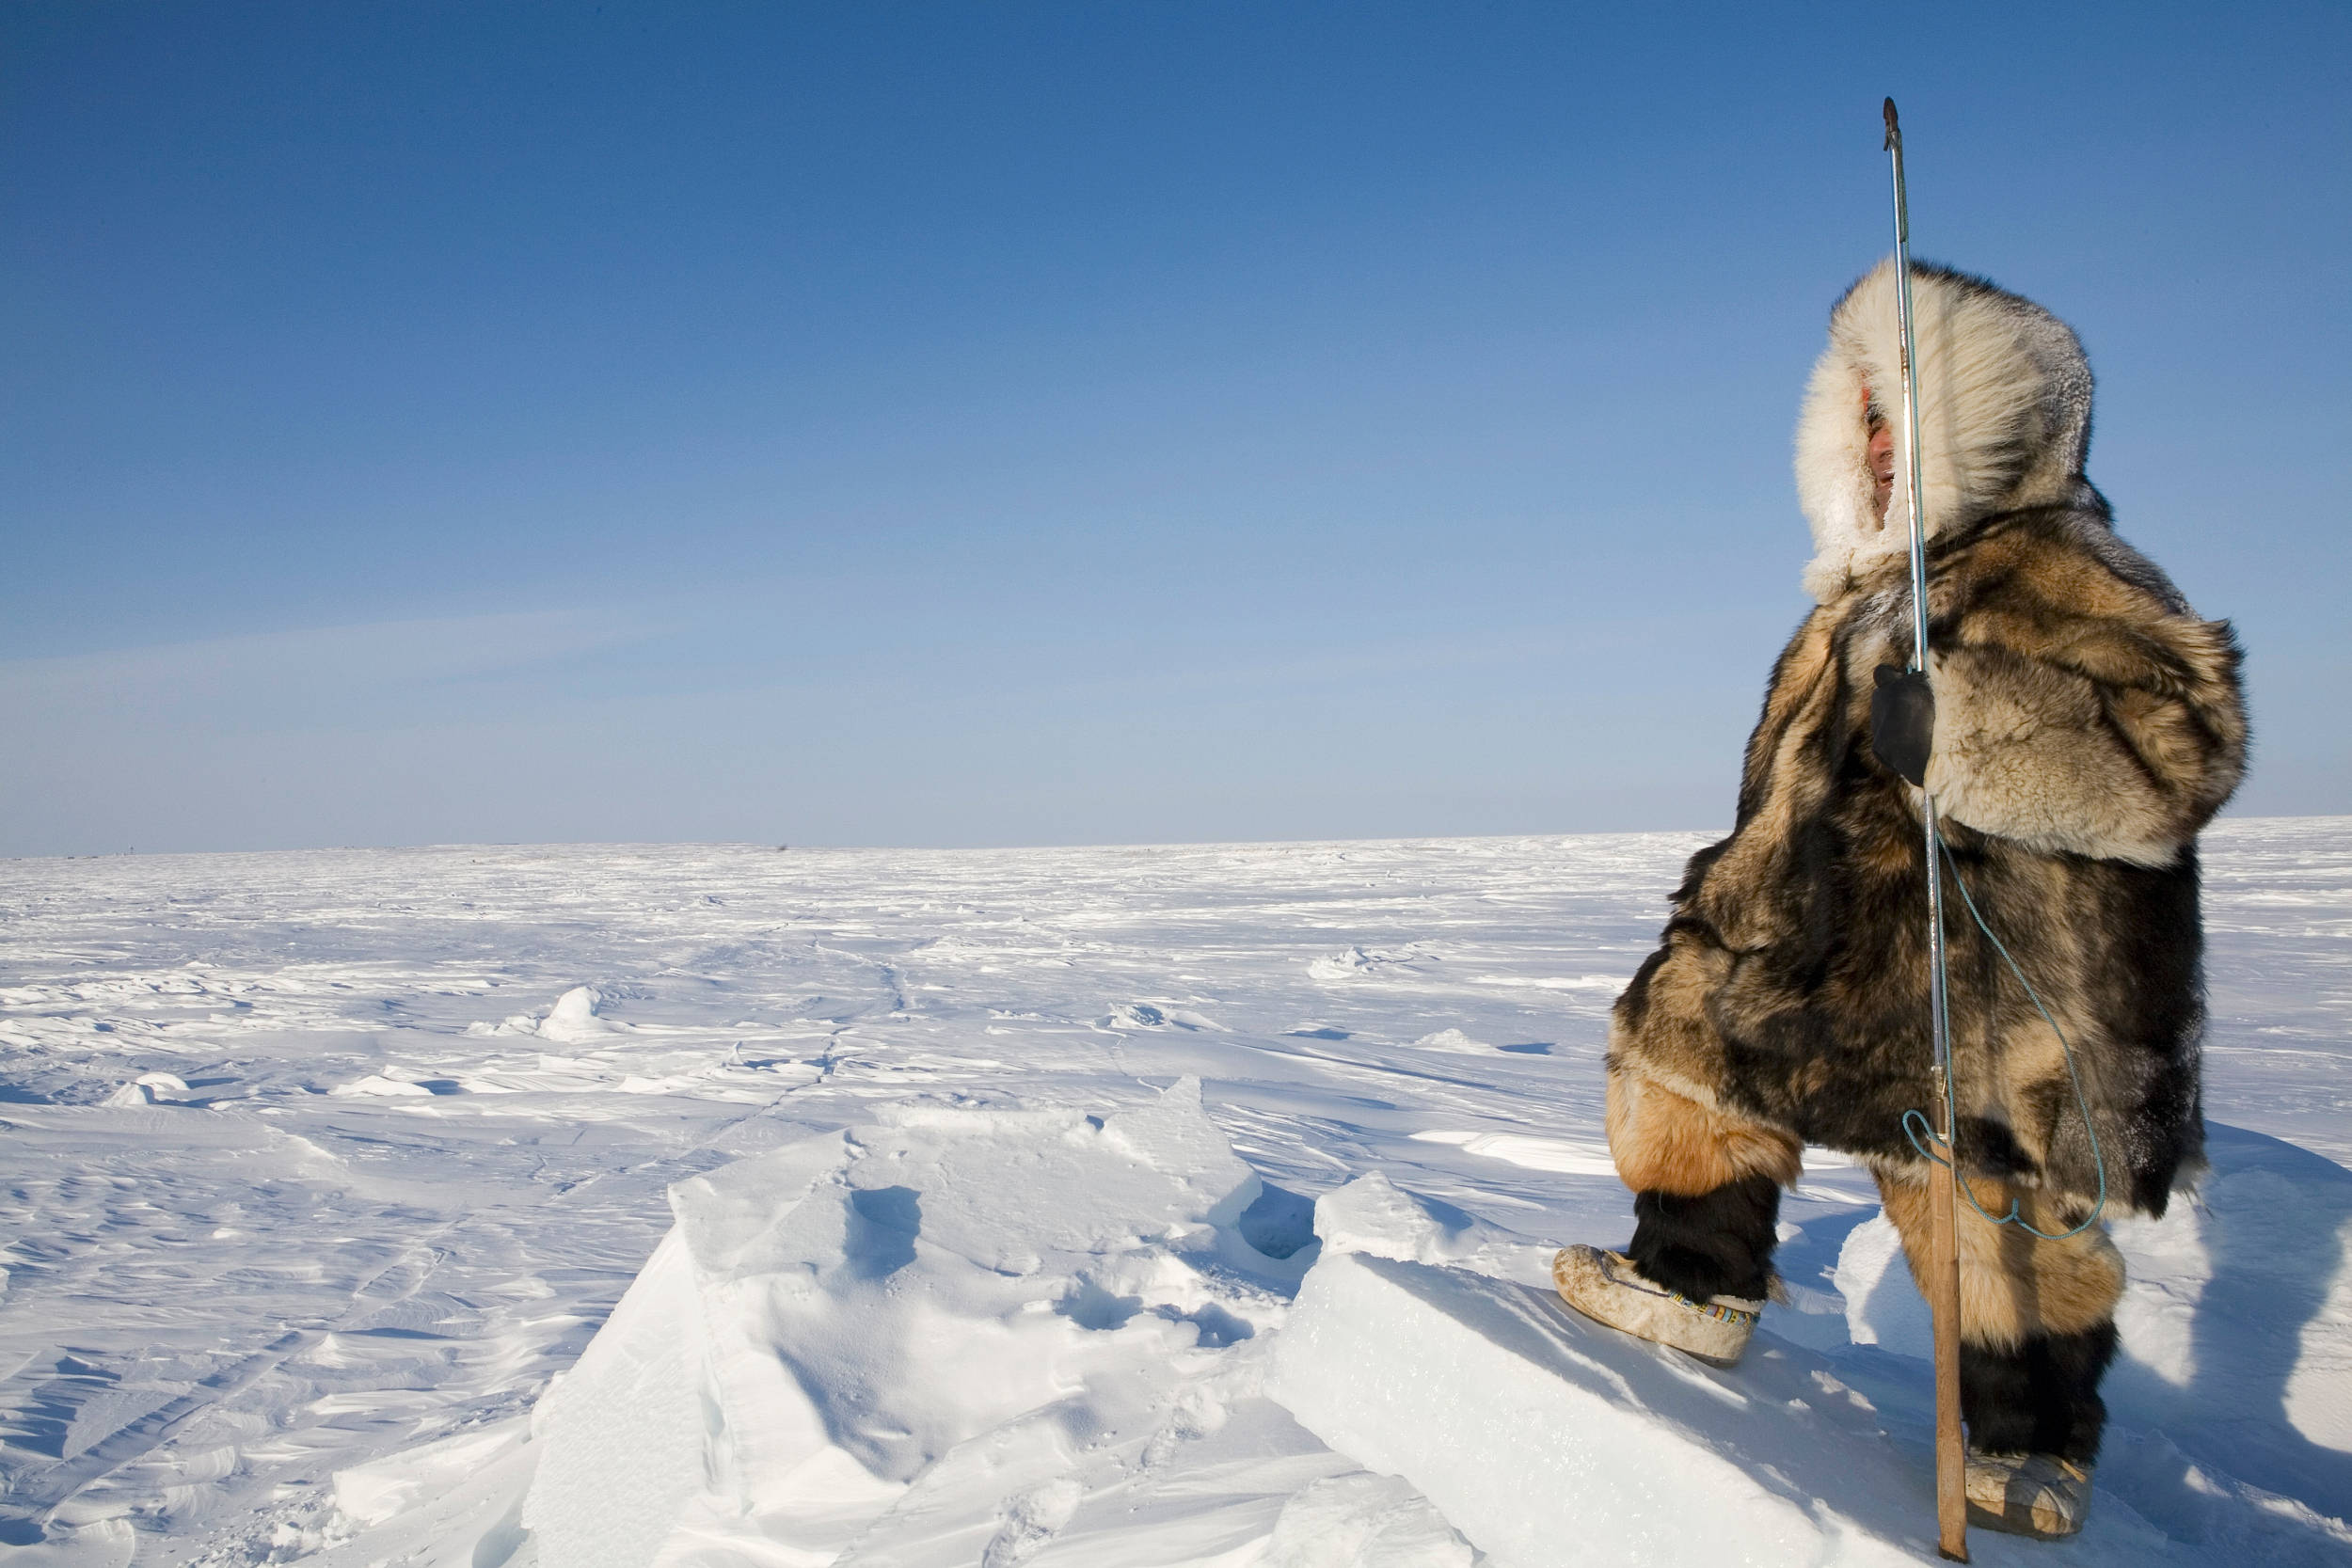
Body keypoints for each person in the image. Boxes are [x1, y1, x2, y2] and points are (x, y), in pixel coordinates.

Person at [1553, 260, 2248, 1540]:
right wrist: (1727, 907)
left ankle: (2035, 1438)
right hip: (1816, 949)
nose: (1877, 444)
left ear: (1989, 420)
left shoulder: (2063, 565)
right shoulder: (1849, 605)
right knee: (1685, 1046)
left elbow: (2178, 753)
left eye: (1903, 415)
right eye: (1861, 417)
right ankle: (1696, 1282)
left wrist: (1973, 725)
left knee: (1986, 1218)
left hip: (2004, 976)